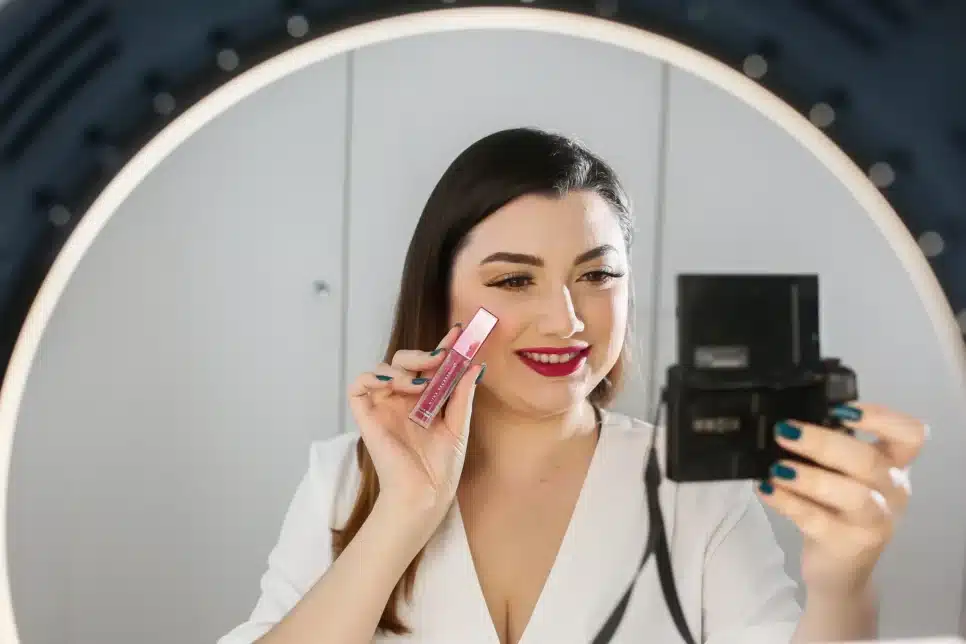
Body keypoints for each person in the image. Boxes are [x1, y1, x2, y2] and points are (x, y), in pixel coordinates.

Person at [217, 127, 927, 644]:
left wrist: (843, 584)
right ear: (441, 296)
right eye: (514, 280)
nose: (565, 320)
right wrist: (404, 510)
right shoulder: (343, 477)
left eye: (597, 275)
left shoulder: (696, 487)